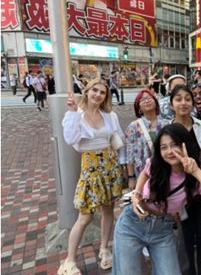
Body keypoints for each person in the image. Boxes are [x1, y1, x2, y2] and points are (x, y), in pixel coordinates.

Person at [112, 124, 201, 275]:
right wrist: (136, 194)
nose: (169, 152)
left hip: (163, 229)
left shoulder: (194, 178)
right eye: (164, 147)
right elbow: (145, 173)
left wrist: (196, 172)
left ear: (185, 145)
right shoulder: (157, 164)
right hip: (132, 223)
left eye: (175, 145)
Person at [59, 79, 126, 275]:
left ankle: (104, 250)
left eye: (102, 92)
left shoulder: (110, 115)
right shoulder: (75, 115)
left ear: (106, 96)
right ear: (87, 92)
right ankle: (69, 261)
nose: (98, 95)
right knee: (85, 217)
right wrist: (71, 112)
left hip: (110, 166)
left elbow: (118, 140)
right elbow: (70, 139)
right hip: (91, 169)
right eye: (94, 90)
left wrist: (122, 168)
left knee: (108, 211)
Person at [168, 85, 201, 274]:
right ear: (171, 104)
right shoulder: (167, 131)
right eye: (178, 99)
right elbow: (163, 167)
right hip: (180, 194)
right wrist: (170, 204)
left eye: (187, 98)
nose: (183, 103)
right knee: (185, 239)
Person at [125, 89, 168, 183]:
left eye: (149, 98)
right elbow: (129, 154)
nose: (147, 101)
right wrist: (131, 177)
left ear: (156, 103)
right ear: (138, 108)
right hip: (142, 173)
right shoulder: (133, 127)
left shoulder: (166, 124)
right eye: (143, 100)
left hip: (165, 170)